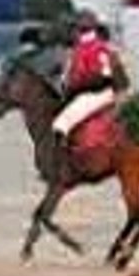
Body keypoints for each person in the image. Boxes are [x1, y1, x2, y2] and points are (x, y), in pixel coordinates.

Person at [50, 10, 120, 164]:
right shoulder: (84, 47)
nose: (71, 33)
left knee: (60, 123)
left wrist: (75, 88)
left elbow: (101, 75)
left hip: (96, 92)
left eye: (74, 29)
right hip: (94, 91)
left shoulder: (94, 48)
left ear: (80, 29)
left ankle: (61, 162)